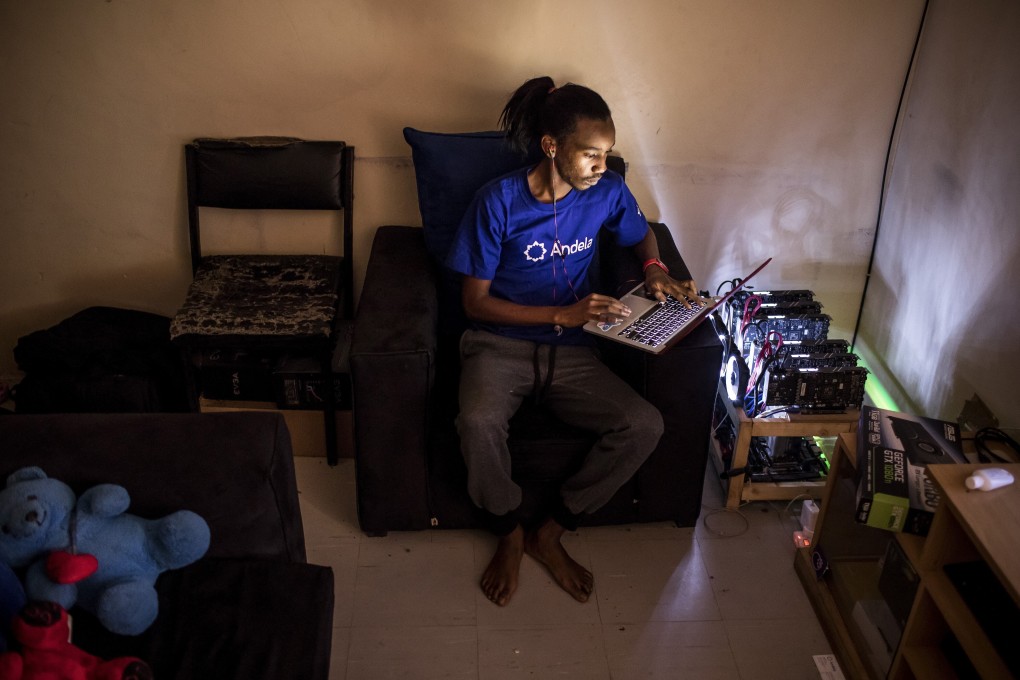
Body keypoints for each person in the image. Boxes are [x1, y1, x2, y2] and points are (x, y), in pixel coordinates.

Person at [445, 76, 706, 607]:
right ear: (551, 146)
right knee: (476, 421)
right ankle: (510, 531)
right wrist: (562, 313)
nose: (601, 167)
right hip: (499, 344)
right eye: (590, 154)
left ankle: (552, 531)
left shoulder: (606, 191)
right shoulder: (497, 202)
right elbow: (474, 303)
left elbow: (642, 233)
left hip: (574, 353)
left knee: (643, 424)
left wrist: (654, 269)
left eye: (607, 154)